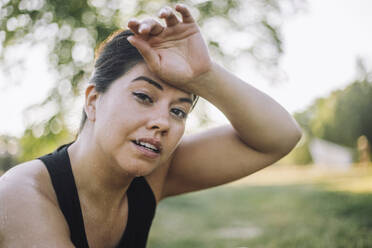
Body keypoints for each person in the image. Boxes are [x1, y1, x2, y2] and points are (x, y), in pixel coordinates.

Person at [0, 4, 302, 248]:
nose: (163, 122)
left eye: (179, 111)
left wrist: (203, 74)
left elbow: (280, 136)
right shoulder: (19, 194)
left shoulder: (154, 174)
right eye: (144, 96)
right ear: (92, 100)